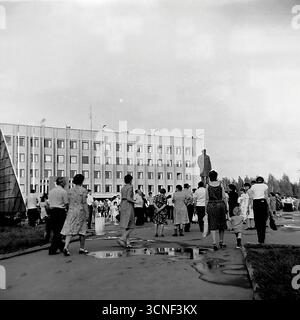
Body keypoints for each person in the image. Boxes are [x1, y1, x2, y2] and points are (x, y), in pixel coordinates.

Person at [60, 174, 89, 256]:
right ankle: (82, 248)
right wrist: (87, 213)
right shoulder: (83, 190)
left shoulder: (70, 191)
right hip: (80, 211)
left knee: (69, 229)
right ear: (82, 181)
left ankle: (66, 247)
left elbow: (68, 202)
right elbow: (84, 203)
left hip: (71, 211)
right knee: (82, 230)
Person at [206, 170, 228, 251]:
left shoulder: (208, 185)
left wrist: (206, 208)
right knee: (221, 224)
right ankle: (221, 242)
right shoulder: (220, 184)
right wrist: (226, 206)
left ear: (209, 177)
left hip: (211, 205)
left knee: (212, 224)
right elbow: (224, 196)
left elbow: (207, 198)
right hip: (220, 204)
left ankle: (214, 243)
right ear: (216, 176)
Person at [48, 177, 68, 255]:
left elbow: (49, 202)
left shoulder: (51, 191)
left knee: (55, 230)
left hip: (52, 211)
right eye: (64, 182)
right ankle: (52, 249)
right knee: (60, 231)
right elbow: (66, 203)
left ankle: (61, 246)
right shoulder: (63, 192)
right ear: (62, 183)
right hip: (60, 212)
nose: (65, 183)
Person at [248, 176, 269, 244]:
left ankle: (259, 239)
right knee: (263, 221)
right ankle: (262, 240)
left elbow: (250, 196)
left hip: (256, 203)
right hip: (263, 202)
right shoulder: (265, 186)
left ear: (256, 181)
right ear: (262, 181)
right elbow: (266, 196)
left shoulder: (253, 186)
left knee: (257, 221)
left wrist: (251, 204)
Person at [118, 174, 135, 248]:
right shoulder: (130, 187)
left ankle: (128, 243)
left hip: (123, 204)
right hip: (128, 205)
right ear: (131, 180)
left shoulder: (123, 188)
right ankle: (122, 238)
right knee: (131, 225)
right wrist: (135, 201)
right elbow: (128, 197)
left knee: (125, 224)